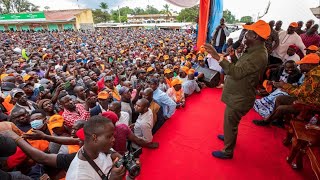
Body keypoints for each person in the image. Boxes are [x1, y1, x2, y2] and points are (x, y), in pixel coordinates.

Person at [204, 20, 271, 159]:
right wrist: (234, 57)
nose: (245, 34)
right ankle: (229, 136)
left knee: (230, 122)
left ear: (256, 37)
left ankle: (227, 151)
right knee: (231, 123)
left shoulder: (258, 56)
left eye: (248, 32)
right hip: (238, 93)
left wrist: (217, 56)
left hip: (240, 97)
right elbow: (241, 68)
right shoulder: (254, 51)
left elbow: (236, 73)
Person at [253, 53, 320, 127]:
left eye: (301, 64)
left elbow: (302, 93)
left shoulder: (314, 77)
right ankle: (278, 121)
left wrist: (284, 86)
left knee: (281, 108)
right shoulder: (313, 72)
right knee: (280, 98)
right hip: (305, 99)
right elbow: (302, 89)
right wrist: (285, 86)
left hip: (310, 104)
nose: (299, 66)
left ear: (309, 65)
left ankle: (266, 121)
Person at [66, 115, 126, 180]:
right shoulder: (79, 176)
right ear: (95, 138)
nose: (113, 139)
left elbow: (112, 154)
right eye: (109, 136)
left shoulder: (100, 148)